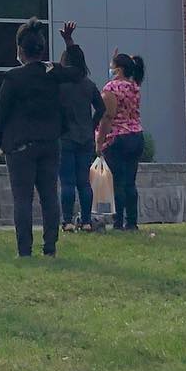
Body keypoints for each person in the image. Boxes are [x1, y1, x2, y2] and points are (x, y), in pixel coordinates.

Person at [0, 19, 81, 257]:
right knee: (49, 196)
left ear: (20, 51)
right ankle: (50, 247)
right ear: (41, 49)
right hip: (50, 142)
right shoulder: (51, 72)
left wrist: (1, 142)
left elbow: (1, 114)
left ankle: (24, 249)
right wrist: (69, 43)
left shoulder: (13, 78)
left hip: (20, 145)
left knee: (22, 199)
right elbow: (79, 73)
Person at [56, 24, 105, 232]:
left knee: (67, 182)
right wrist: (92, 126)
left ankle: (67, 221)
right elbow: (101, 108)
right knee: (84, 183)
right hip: (85, 138)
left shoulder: (59, 85)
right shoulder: (88, 84)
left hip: (65, 137)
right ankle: (85, 221)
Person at [96, 49, 145, 231]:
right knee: (130, 182)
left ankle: (118, 222)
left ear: (119, 69)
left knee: (117, 182)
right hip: (136, 135)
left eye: (112, 67)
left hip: (117, 137)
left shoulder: (110, 88)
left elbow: (108, 116)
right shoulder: (135, 87)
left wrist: (99, 141)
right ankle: (132, 222)